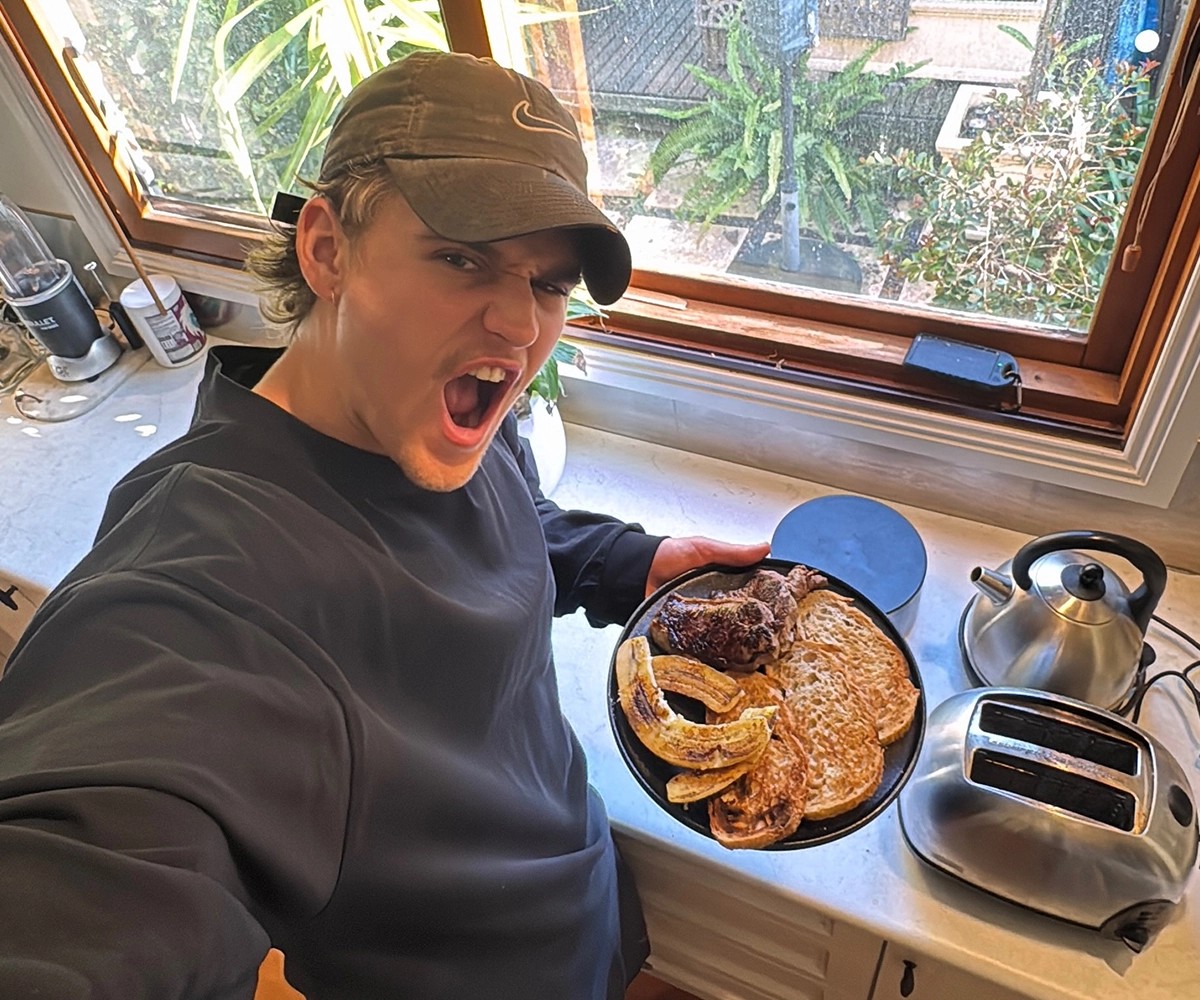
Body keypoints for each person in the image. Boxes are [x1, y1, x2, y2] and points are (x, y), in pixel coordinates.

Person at [0, 51, 769, 1000]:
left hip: (582, 890)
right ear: (326, 249)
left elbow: (506, 510)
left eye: (549, 283)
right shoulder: (207, 593)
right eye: (461, 257)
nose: (521, 327)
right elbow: (92, 890)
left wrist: (629, 563)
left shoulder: (435, 408)